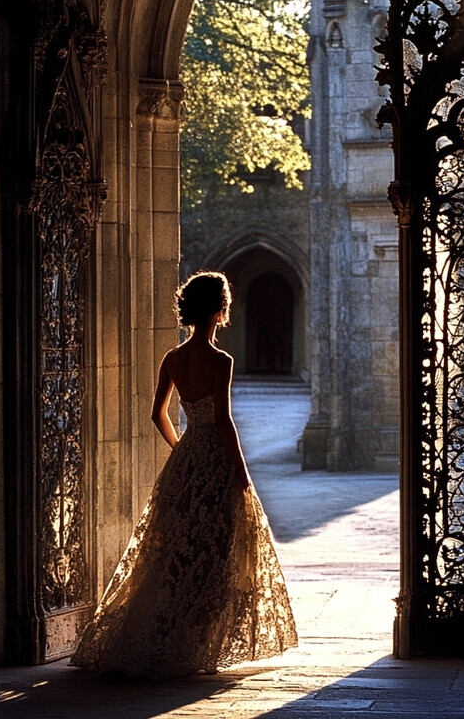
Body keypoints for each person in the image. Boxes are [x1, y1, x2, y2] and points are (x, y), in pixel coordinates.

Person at [70, 271, 298, 678]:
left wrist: (182, 448)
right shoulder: (220, 360)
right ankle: (196, 641)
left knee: (173, 548)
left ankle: (162, 630)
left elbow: (157, 414)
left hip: (188, 456)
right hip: (214, 457)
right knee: (216, 546)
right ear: (219, 309)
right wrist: (240, 470)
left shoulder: (173, 359)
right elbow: (224, 421)